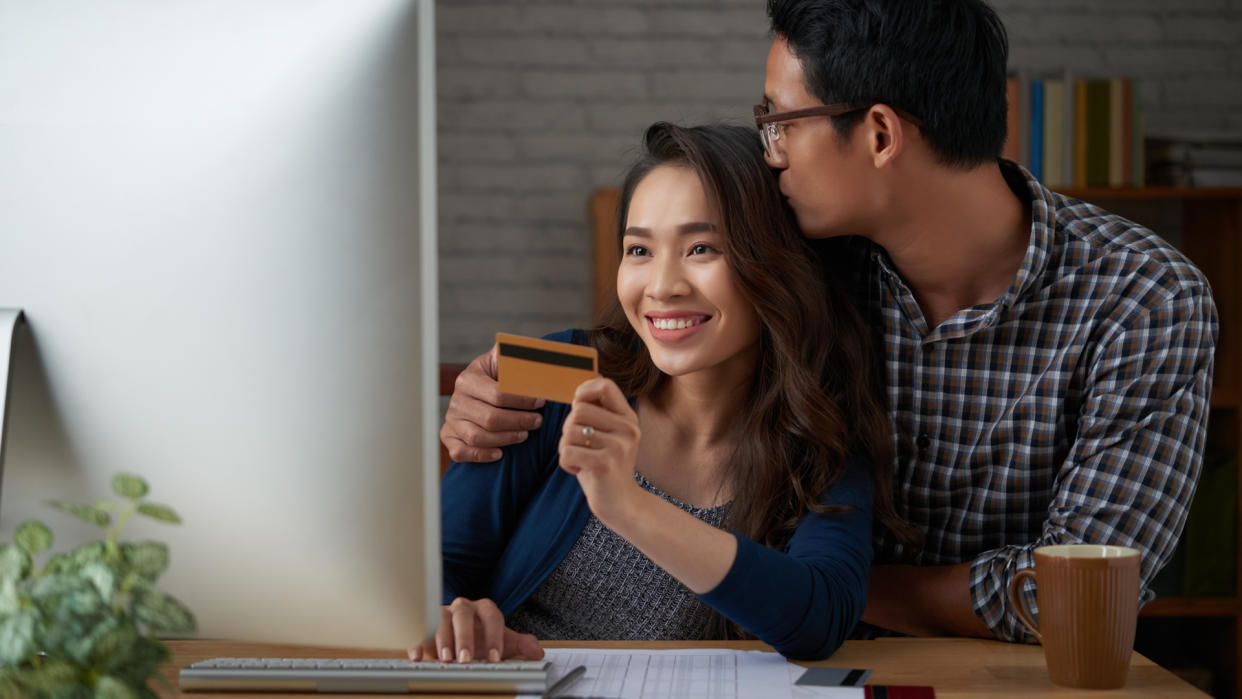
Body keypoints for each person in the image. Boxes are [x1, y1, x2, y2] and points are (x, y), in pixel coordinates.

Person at [439, 0, 1219, 644]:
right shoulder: (806, 263)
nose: (771, 153)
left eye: (782, 121)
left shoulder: (1143, 298)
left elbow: (1078, 594)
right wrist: (491, 389)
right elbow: (637, 334)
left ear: (879, 135)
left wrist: (819, 590)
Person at [416, 122, 913, 665]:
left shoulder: (822, 435)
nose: (662, 287)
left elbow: (820, 618)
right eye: (639, 250)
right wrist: (451, 615)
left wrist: (628, 506)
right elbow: (437, 562)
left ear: (777, 263)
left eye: (701, 248)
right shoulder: (561, 376)